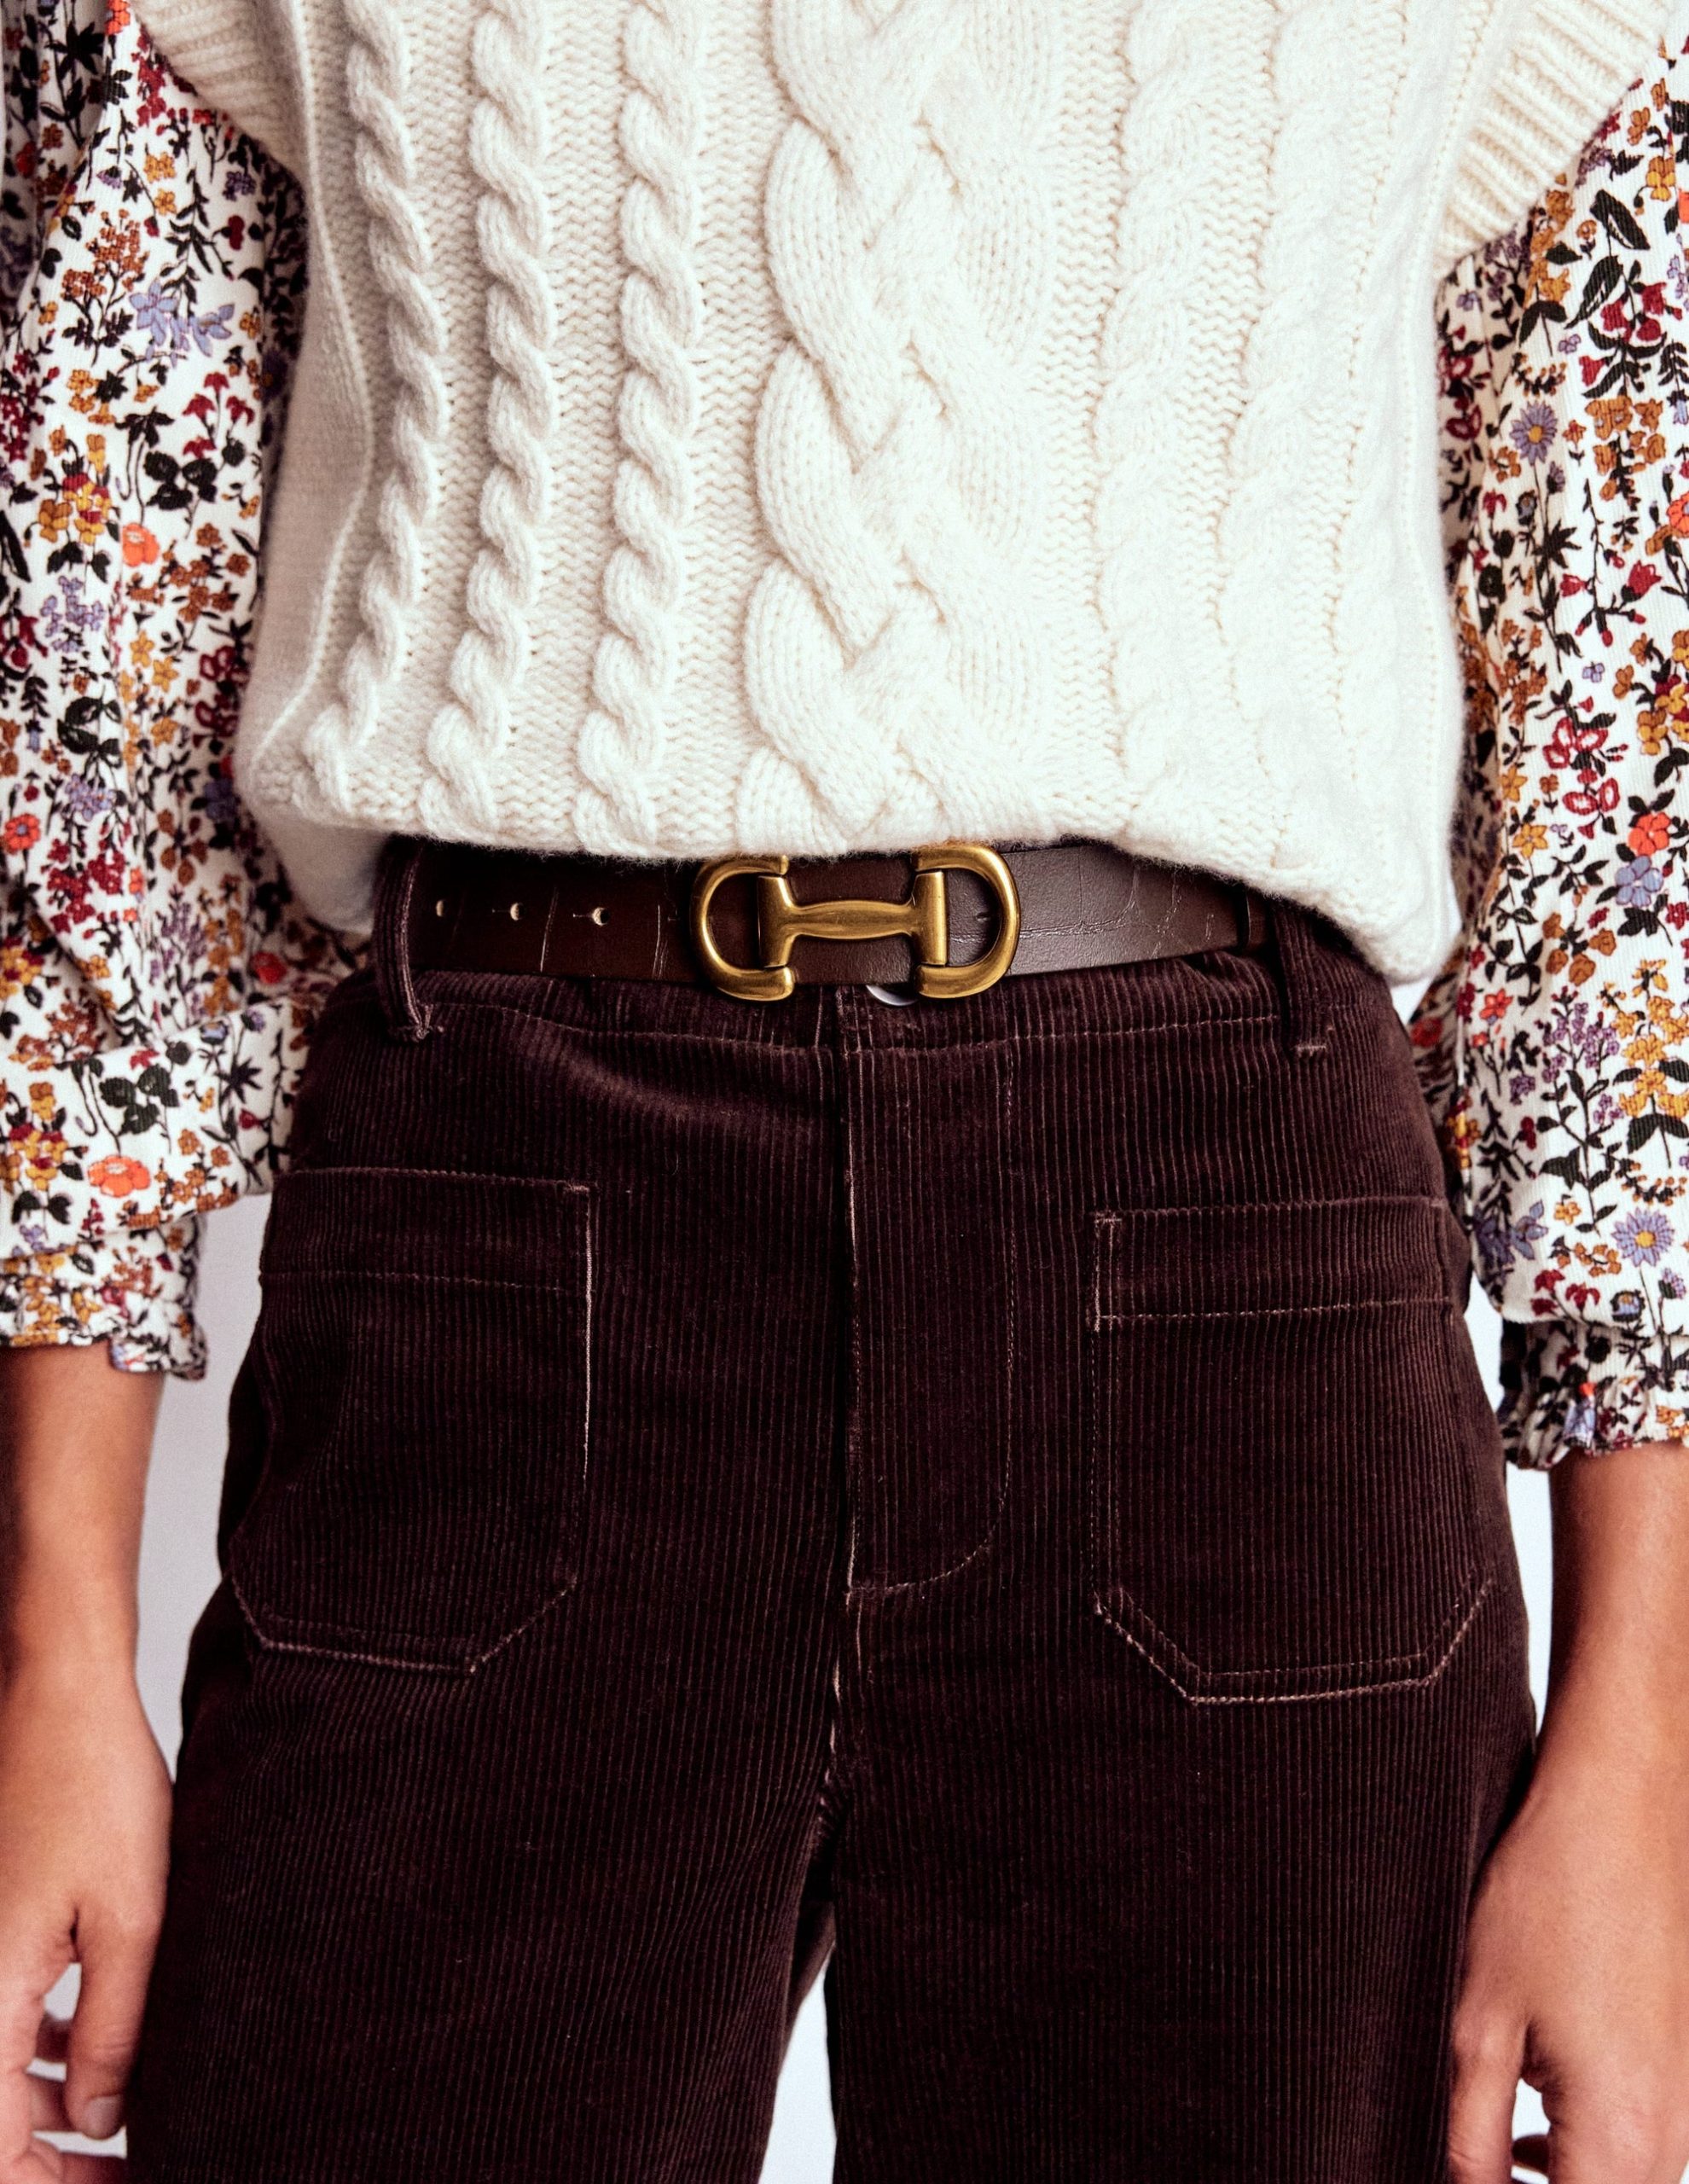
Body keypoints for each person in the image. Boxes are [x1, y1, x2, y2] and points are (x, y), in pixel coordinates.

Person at [1, 1, 1687, 2178]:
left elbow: (1621, 806)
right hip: (508, 1224)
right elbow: (88, 726)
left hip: (1228, 1274)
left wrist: (1643, 1742)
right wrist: (48, 1649)